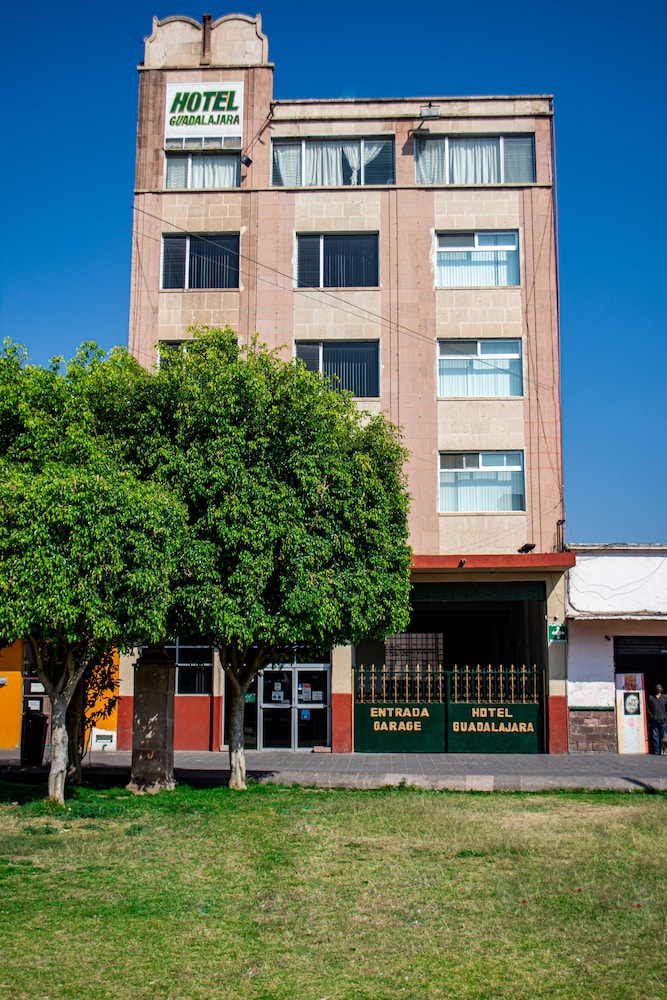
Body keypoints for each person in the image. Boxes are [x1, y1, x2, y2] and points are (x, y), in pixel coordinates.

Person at [647, 684, 667, 755]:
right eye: (657, 688)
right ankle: (656, 750)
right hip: (654, 720)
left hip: (663, 720)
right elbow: (648, 708)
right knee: (655, 736)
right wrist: (652, 716)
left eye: (660, 688)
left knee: (664, 737)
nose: (658, 689)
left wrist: (665, 716)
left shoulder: (664, 698)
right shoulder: (651, 698)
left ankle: (663, 750)